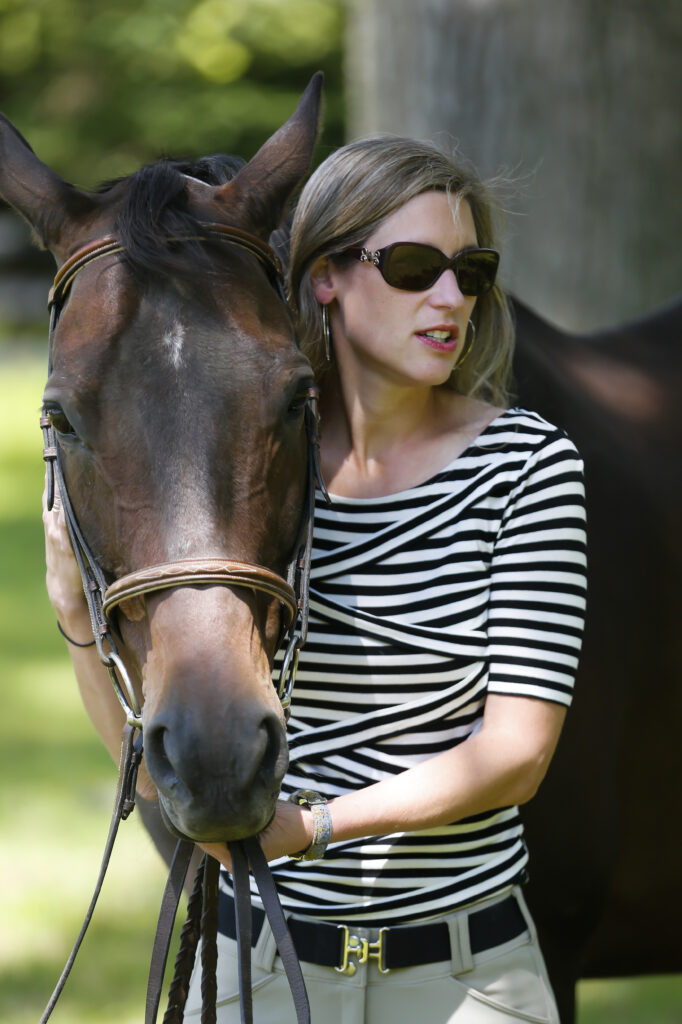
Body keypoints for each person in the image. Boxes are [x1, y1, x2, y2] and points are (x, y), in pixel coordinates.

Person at [45, 136, 587, 1023]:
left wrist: (319, 827)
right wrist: (74, 606)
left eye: (470, 269)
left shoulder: (525, 465)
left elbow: (516, 755)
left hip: (462, 981)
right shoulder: (261, 469)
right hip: (249, 971)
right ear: (327, 276)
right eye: (414, 267)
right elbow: (151, 771)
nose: (450, 300)